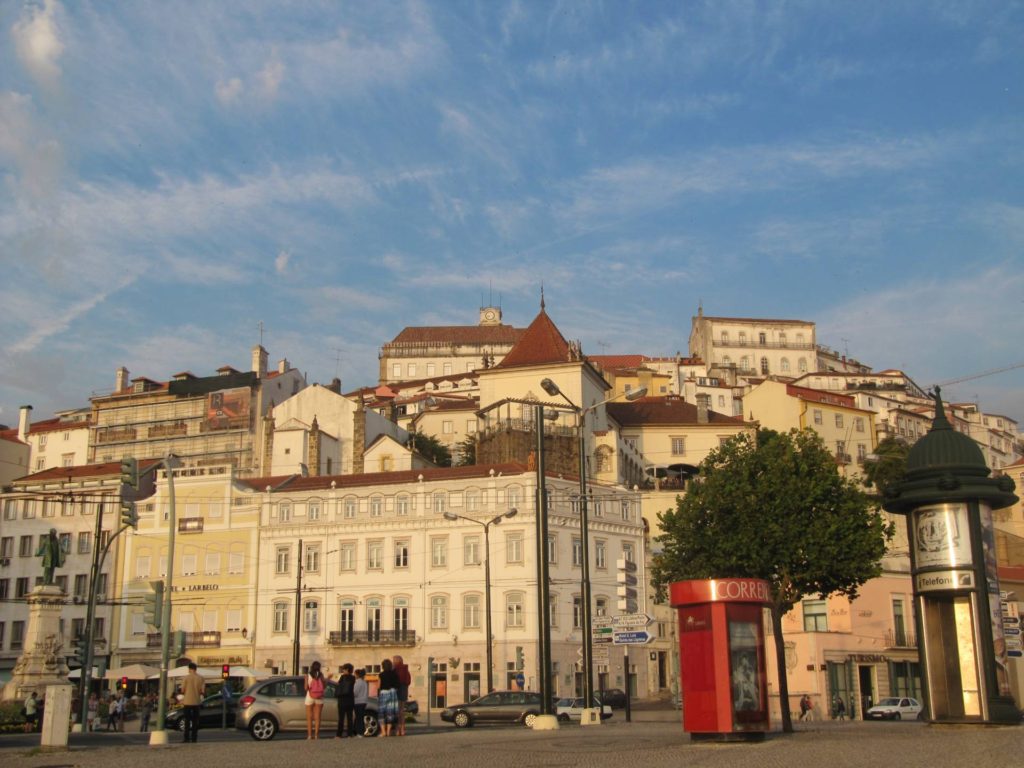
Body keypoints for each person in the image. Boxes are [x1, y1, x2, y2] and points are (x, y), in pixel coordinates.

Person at [180, 662, 205, 743]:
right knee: (195, 721)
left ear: (190, 669)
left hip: (187, 701)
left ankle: (186, 738)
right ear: (195, 669)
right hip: (196, 702)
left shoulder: (186, 678)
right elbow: (202, 691)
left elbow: (182, 690)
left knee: (187, 721)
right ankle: (194, 738)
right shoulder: (201, 678)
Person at [305, 660, 328, 739]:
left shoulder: (308, 675)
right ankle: (316, 735)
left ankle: (309, 735)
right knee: (317, 717)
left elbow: (306, 688)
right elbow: (324, 687)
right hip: (319, 697)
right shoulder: (321, 675)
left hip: (310, 697)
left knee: (309, 718)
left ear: (312, 667)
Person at [377, 658, 400, 737]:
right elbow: (398, 685)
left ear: (383, 666)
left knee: (382, 713)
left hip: (383, 693)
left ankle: (383, 732)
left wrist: (378, 694)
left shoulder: (381, 674)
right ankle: (388, 732)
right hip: (393, 693)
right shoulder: (395, 674)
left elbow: (379, 686)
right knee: (390, 713)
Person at [335, 664, 356, 738]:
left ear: (347, 669)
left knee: (341, 718)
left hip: (342, 700)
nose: (343, 670)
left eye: (343, 669)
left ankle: (339, 734)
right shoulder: (353, 678)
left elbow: (339, 687)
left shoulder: (342, 677)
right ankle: (350, 734)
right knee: (350, 718)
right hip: (350, 699)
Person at [393, 654, 411, 736]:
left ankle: (398, 729)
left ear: (397, 661)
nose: (393, 662)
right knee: (402, 711)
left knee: (397, 711)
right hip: (404, 689)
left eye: (394, 660)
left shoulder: (395, 669)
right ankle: (403, 729)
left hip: (397, 689)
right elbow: (408, 681)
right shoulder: (405, 669)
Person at [353, 668, 369, 737]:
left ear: (357, 675)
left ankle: (359, 732)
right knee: (361, 717)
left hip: (358, 701)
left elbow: (355, 692)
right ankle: (359, 731)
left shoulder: (357, 682)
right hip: (364, 701)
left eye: (354, 674)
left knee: (358, 717)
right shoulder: (364, 682)